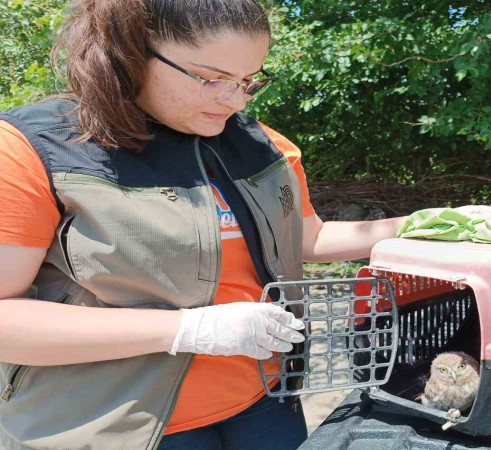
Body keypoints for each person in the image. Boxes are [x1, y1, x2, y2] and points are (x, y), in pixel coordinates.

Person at [0, 1, 406, 449]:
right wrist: (187, 330)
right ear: (131, 51)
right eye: (211, 78)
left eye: (247, 81)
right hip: (112, 424)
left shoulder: (262, 145)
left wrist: (424, 224)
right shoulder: (33, 149)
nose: (233, 100)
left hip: (265, 404)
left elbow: (309, 235)